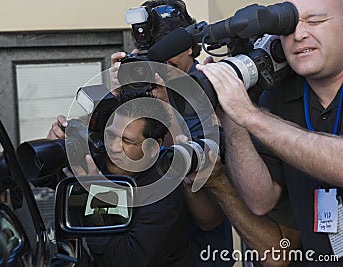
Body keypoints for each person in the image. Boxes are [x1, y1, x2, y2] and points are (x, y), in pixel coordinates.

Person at [196, 0, 343, 264]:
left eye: (315, 22)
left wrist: (252, 117)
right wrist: (232, 113)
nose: (298, 35)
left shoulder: (262, 116)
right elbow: (260, 200)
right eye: (288, 26)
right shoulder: (278, 96)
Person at [110, 1, 233, 265]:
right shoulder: (140, 91)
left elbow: (209, 208)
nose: (162, 61)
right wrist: (113, 100)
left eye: (168, 48)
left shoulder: (212, 90)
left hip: (201, 252)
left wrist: (167, 112)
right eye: (152, 52)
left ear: (189, 44)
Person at [48, 98, 193, 267]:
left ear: (153, 148)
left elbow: (123, 260)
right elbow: (42, 178)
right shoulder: (97, 158)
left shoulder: (162, 190)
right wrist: (54, 148)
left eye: (127, 141)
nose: (114, 147)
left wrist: (95, 195)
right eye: (111, 135)